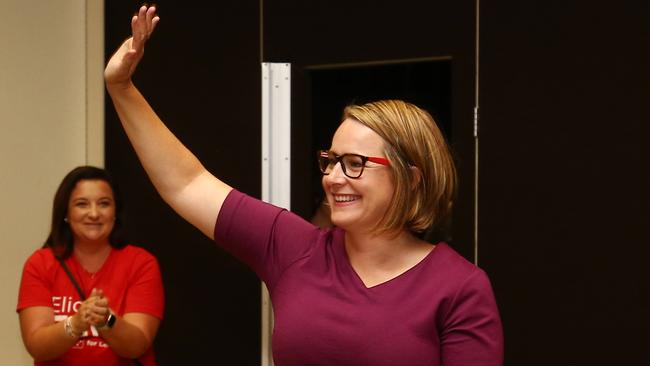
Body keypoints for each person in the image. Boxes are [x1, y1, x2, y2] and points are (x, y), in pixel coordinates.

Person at [104, 6, 503, 365]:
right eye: (330, 162)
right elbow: (187, 183)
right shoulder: (294, 248)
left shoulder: (459, 288)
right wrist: (122, 89)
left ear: (411, 178)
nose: (332, 178)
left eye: (354, 164)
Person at [17, 166, 165, 366]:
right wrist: (75, 324)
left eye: (104, 204)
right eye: (82, 204)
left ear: (115, 212)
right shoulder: (40, 264)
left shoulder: (142, 263)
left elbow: (136, 346)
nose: (94, 214)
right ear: (66, 213)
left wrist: (107, 320)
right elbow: (37, 346)